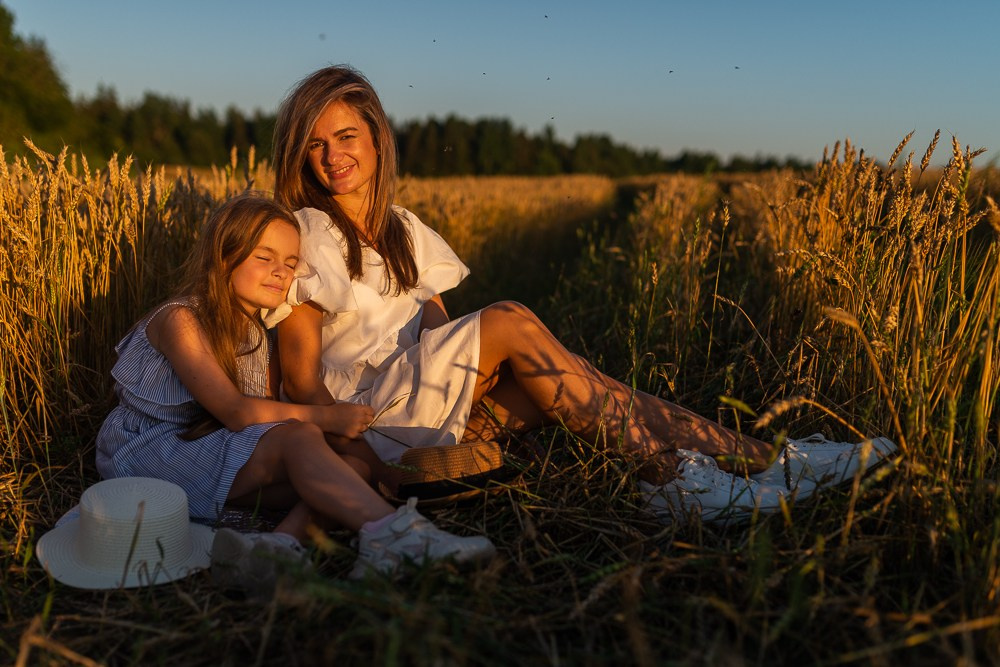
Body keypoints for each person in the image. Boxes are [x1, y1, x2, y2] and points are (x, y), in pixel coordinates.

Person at [270, 66, 896, 524]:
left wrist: (517, 385)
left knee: (585, 383)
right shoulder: (307, 235)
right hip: (373, 424)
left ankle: (778, 461)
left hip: (426, 410)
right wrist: (363, 465)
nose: (333, 156)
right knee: (514, 321)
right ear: (300, 155)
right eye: (317, 144)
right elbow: (302, 385)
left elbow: (439, 341)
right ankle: (677, 483)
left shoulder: (403, 229)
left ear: (377, 138)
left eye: (346, 136)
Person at [94, 194, 496, 595]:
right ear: (223, 255)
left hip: (210, 450)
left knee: (350, 470)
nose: (280, 272)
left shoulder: (259, 337)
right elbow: (236, 412)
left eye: (290, 263)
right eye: (264, 258)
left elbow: (265, 417)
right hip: (150, 452)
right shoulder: (180, 319)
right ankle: (400, 537)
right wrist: (328, 417)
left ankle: (277, 549)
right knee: (300, 436)